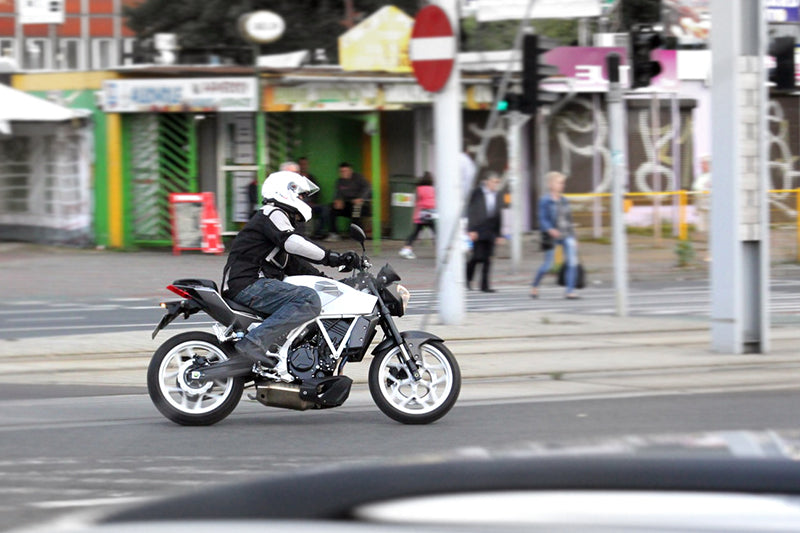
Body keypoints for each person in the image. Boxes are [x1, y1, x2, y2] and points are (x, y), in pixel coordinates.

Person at [223, 170, 361, 369]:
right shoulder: (272, 213)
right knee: (308, 299)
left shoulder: (278, 220)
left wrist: (336, 284)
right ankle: (254, 343)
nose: (304, 200)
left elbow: (297, 266)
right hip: (249, 284)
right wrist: (333, 257)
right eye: (301, 195)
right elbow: (293, 243)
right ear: (285, 192)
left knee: (314, 296)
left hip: (254, 284)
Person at [531, 171, 580, 300]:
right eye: (559, 182)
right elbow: (542, 219)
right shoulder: (545, 201)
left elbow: (569, 219)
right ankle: (535, 285)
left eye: (563, 183)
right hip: (551, 237)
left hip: (566, 235)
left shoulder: (564, 201)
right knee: (548, 265)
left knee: (572, 262)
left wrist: (574, 237)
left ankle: (570, 291)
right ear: (551, 184)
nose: (562, 185)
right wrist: (549, 229)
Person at [466, 172, 504, 293]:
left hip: (491, 230)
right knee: (477, 257)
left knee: (488, 259)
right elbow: (471, 211)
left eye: (497, 182)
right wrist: (471, 230)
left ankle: (485, 285)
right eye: (494, 182)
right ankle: (467, 278)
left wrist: (499, 234)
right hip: (478, 229)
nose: (495, 185)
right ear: (487, 181)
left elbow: (499, 215)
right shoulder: (477, 192)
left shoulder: (497, 195)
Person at [326, 162, 371, 240]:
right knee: (331, 208)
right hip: (347, 204)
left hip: (361, 205)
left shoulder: (359, 178)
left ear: (350, 171)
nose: (343, 173)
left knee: (356, 210)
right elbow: (338, 193)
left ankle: (356, 234)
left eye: (345, 171)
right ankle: (334, 233)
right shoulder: (340, 181)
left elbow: (368, 188)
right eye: (341, 171)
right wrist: (338, 200)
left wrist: (361, 198)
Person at [399, 172, 436, 260]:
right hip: (431, 213)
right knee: (436, 232)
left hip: (421, 214)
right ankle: (441, 250)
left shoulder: (418, 189)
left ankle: (406, 249)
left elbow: (417, 201)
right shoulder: (433, 189)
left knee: (415, 233)